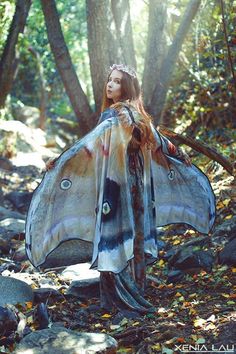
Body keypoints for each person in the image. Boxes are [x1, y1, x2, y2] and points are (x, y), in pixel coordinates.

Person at [28, 63, 215, 314]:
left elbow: (88, 147)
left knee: (113, 237)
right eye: (110, 80)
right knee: (133, 235)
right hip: (136, 185)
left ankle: (120, 296)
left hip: (116, 186)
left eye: (116, 81)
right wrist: (179, 154)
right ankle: (136, 287)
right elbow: (159, 142)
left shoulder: (116, 115)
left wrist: (61, 162)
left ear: (125, 87)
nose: (110, 84)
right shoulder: (136, 114)